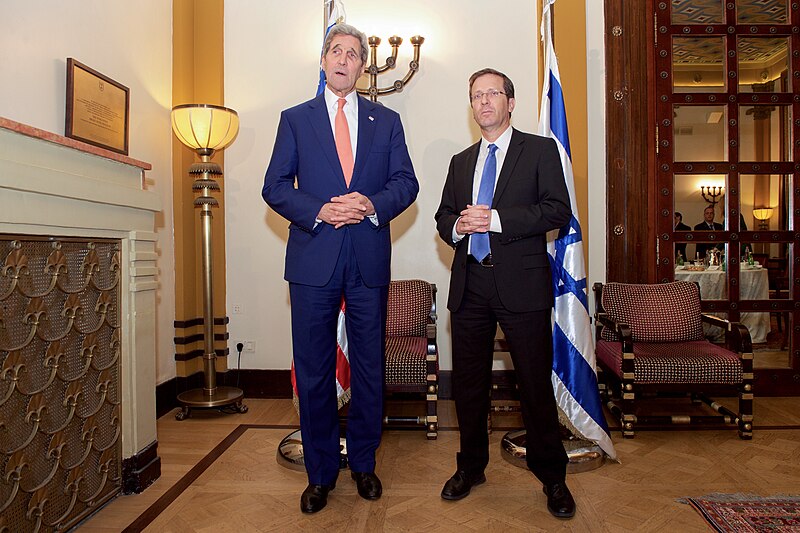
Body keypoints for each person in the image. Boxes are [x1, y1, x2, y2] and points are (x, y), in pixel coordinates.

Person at [262, 23, 418, 514]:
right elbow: (275, 186)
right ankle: (321, 472)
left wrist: (370, 203)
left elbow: (406, 183)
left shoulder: (386, 120)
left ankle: (365, 464)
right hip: (314, 259)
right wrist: (320, 210)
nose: (344, 59)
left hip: (368, 259)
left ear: (362, 65)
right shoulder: (295, 119)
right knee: (313, 371)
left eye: (353, 53)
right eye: (336, 50)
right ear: (323, 59)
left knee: (370, 367)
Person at [434, 68, 575, 519]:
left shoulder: (540, 150)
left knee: (533, 384)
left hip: (522, 285)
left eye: (493, 93)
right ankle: (471, 467)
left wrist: (495, 220)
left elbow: (557, 211)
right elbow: (443, 217)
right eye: (476, 95)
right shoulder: (461, 161)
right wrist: (457, 226)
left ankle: (552, 476)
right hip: (470, 285)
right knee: (469, 387)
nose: (484, 102)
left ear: (510, 102)